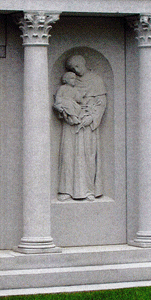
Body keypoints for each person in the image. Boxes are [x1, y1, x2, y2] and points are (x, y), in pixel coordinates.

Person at [55, 55, 107, 201]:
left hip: (88, 122)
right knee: (68, 156)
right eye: (73, 69)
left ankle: (89, 190)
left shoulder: (96, 80)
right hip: (71, 123)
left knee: (88, 157)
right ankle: (66, 190)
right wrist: (65, 112)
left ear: (83, 63)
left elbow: (101, 102)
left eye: (77, 67)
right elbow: (63, 99)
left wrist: (91, 118)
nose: (76, 71)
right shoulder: (70, 83)